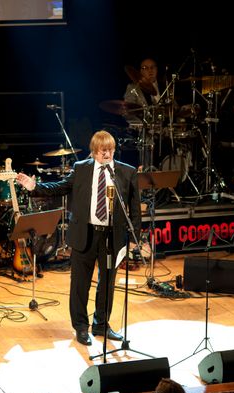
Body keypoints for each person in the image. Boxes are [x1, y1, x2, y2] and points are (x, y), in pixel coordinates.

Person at [16, 130, 142, 346]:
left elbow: (135, 209)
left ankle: (101, 325)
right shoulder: (81, 168)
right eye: (102, 151)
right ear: (94, 151)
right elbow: (60, 187)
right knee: (80, 284)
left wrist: (133, 238)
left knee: (107, 283)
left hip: (112, 236)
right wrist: (35, 187)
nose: (107, 154)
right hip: (85, 233)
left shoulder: (126, 172)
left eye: (110, 150)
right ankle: (81, 327)